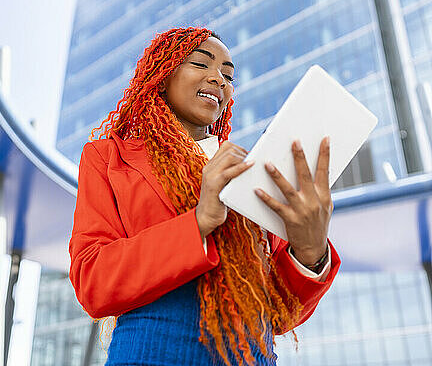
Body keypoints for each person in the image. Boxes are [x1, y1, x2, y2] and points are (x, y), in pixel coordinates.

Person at [68, 27, 340, 366]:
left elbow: (280, 313)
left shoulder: (249, 171)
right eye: (200, 63)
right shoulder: (109, 158)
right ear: (161, 76)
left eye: (228, 75)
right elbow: (93, 280)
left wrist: (310, 253)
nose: (219, 79)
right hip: (151, 353)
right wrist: (198, 222)